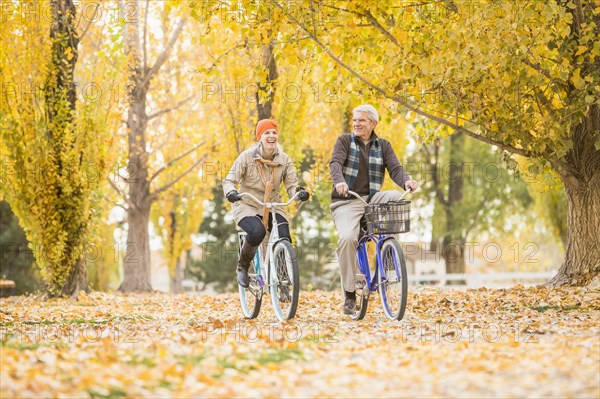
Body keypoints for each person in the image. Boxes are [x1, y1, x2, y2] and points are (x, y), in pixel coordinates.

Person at [329, 104, 418, 315]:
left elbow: (395, 168)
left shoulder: (383, 145)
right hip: (347, 200)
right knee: (348, 238)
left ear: (373, 124)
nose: (357, 124)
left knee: (397, 198)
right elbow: (335, 163)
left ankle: (389, 250)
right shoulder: (344, 141)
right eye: (355, 120)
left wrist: (407, 180)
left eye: (362, 120)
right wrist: (340, 181)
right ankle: (349, 294)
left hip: (372, 200)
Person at [223, 119, 309, 287]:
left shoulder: (284, 159)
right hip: (248, 204)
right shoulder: (247, 157)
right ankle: (243, 266)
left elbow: (291, 185)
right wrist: (231, 192)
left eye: (274, 132)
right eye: (267, 133)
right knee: (257, 232)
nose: (271, 136)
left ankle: (283, 280)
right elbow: (229, 180)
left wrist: (298, 193)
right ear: (260, 137)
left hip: (273, 205)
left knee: (284, 236)